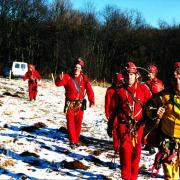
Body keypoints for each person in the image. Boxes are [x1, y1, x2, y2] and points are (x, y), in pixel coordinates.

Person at [114, 61, 152, 180]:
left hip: (138, 127)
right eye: (127, 74)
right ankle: (126, 177)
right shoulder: (119, 91)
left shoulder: (143, 89)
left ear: (136, 75)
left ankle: (133, 178)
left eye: (131, 74)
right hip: (124, 127)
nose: (129, 77)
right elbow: (115, 111)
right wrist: (112, 126)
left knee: (136, 155)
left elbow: (151, 104)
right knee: (125, 153)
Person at [147, 62, 180, 179]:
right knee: (169, 175)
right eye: (176, 78)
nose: (178, 83)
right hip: (168, 142)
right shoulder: (164, 96)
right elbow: (149, 108)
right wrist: (155, 112)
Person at [55, 58, 95, 149]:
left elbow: (89, 90)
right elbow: (58, 84)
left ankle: (76, 140)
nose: (76, 69)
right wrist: (59, 79)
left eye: (78, 68)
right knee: (70, 122)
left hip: (80, 105)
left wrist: (92, 100)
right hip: (70, 104)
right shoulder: (67, 77)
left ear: (81, 69)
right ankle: (72, 141)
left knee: (78, 123)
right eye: (75, 67)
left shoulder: (84, 78)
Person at [143, 64, 164, 154]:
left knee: (152, 127)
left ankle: (151, 146)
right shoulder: (146, 81)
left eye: (150, 73)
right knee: (145, 126)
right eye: (148, 73)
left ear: (154, 73)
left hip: (153, 108)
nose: (148, 75)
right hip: (145, 106)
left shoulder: (157, 83)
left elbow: (157, 97)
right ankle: (147, 144)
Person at [105, 73, 124, 153]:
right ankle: (117, 148)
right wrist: (107, 113)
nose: (119, 83)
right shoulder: (110, 90)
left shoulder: (124, 89)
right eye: (118, 81)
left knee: (123, 130)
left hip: (123, 113)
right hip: (113, 113)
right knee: (115, 130)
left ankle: (122, 147)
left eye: (121, 81)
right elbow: (107, 103)